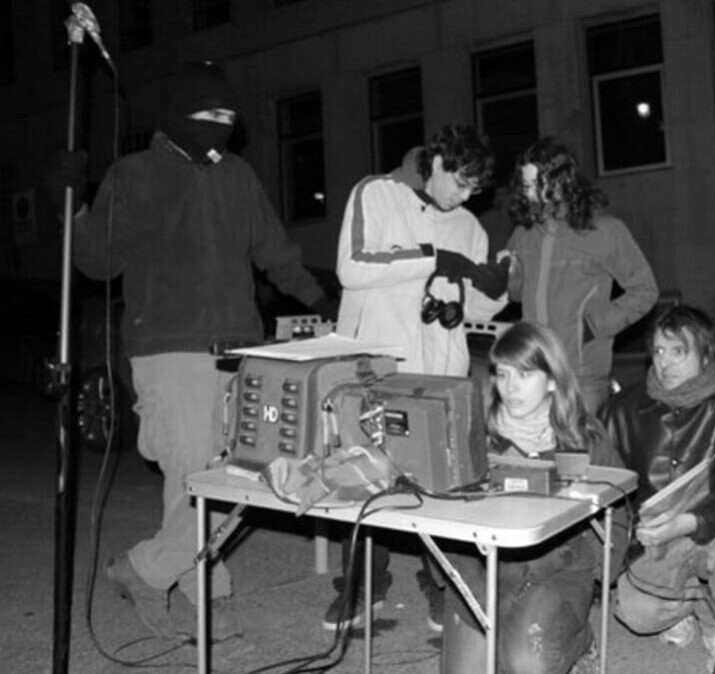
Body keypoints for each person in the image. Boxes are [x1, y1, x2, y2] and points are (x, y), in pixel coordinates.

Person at [51, 61, 337, 641]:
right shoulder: (135, 175)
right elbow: (96, 262)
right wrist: (74, 206)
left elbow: (275, 253)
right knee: (193, 475)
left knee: (239, 475)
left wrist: (326, 299)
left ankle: (152, 570)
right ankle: (196, 584)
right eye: (209, 116)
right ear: (179, 117)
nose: (221, 127)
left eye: (229, 118)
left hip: (239, 350)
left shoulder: (238, 176)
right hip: (169, 349)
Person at [325, 125, 510, 631]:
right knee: (364, 483)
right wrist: (435, 260)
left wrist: (494, 288)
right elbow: (353, 267)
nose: (467, 196)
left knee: (441, 485)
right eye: (461, 182)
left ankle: (441, 587)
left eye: (476, 189)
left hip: (438, 372)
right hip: (378, 368)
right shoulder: (376, 193)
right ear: (437, 163)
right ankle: (363, 588)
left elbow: (471, 304)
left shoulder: (469, 224)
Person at [440, 322, 623, 674]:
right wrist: (467, 587)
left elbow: (620, 508)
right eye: (503, 374)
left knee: (523, 661)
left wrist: (599, 566)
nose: (510, 387)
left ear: (553, 379)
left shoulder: (583, 437)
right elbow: (437, 515)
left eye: (524, 374)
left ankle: (579, 642)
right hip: (481, 568)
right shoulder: (473, 435)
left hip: (558, 570)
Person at [601, 305, 715, 674]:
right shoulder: (621, 409)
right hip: (657, 539)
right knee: (635, 613)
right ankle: (687, 604)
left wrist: (690, 522)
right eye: (659, 351)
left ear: (706, 354)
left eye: (678, 351)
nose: (665, 363)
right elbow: (605, 487)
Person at [505, 138, 659, 413]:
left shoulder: (605, 230)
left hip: (583, 375)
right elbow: (516, 294)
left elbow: (645, 290)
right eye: (525, 185)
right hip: (533, 371)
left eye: (535, 185)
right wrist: (507, 273)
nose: (528, 193)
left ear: (561, 182)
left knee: (582, 455)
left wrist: (595, 325)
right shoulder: (523, 234)